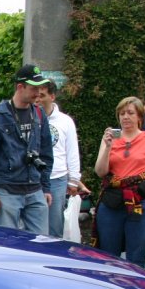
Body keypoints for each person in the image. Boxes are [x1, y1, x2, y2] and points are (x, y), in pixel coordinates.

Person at [92, 96, 145, 266]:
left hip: (140, 201)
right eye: (122, 113)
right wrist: (107, 147)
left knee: (136, 254)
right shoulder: (110, 138)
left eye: (130, 113)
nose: (126, 117)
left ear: (139, 117)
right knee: (109, 254)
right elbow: (100, 171)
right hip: (113, 201)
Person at [0, 64, 53, 233]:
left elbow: (46, 154)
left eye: (40, 88)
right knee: (6, 245)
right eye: (34, 88)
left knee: (41, 245)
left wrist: (46, 187)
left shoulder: (39, 114)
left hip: (35, 188)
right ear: (20, 87)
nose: (38, 93)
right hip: (6, 190)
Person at [36, 79, 83, 237]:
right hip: (33, 178)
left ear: (52, 97)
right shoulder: (29, 117)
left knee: (55, 225)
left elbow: (72, 151)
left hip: (57, 178)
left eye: (42, 95)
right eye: (37, 95)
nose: (38, 99)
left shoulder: (65, 121)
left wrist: (74, 180)